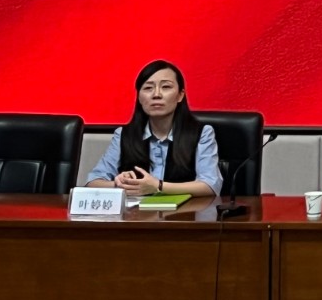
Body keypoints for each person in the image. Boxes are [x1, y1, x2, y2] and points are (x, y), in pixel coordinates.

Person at [87, 59, 222, 197]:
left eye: (166, 87)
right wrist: (121, 184)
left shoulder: (201, 133)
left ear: (180, 95)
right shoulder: (123, 134)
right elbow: (93, 182)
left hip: (185, 210)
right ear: (139, 97)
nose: (156, 94)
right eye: (148, 88)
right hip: (136, 211)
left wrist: (158, 186)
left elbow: (211, 185)